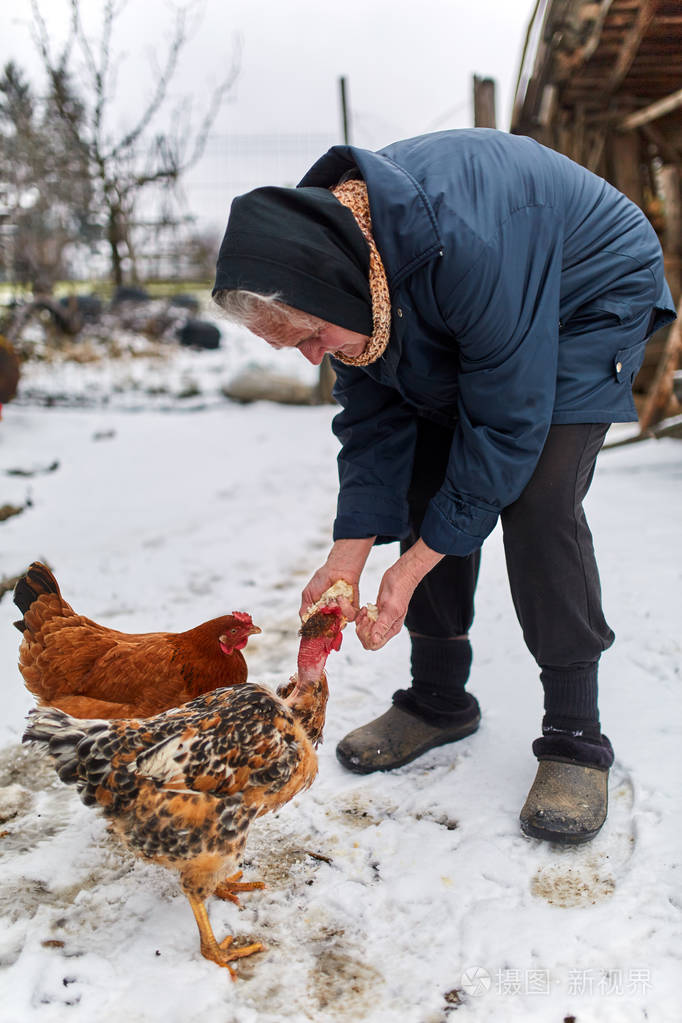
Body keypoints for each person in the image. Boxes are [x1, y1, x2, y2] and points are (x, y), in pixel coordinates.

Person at [212, 128, 676, 845]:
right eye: (294, 348)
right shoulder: (342, 277)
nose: (312, 358)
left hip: (588, 295)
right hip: (478, 307)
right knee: (429, 475)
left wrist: (415, 562)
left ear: (332, 290)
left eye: (310, 337)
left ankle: (575, 735)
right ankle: (438, 697)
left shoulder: (465, 245)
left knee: (537, 497)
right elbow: (372, 427)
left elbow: (507, 426)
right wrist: (348, 556)